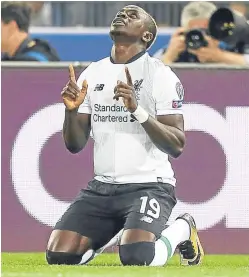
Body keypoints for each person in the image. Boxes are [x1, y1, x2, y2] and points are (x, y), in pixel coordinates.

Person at [46, 5, 204, 267]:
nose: (123, 15)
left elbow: (176, 145)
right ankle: (119, 230)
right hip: (102, 187)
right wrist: (71, 112)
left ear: (146, 37)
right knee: (59, 256)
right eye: (121, 13)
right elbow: (74, 145)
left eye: (133, 15)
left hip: (150, 186)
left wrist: (137, 110)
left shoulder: (160, 75)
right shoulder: (93, 73)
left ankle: (182, 228)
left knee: (138, 257)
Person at [154, 1, 249, 65]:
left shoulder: (231, 46)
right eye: (195, 32)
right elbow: (146, 80)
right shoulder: (176, 49)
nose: (202, 37)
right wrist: (168, 57)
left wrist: (220, 56)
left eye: (207, 32)